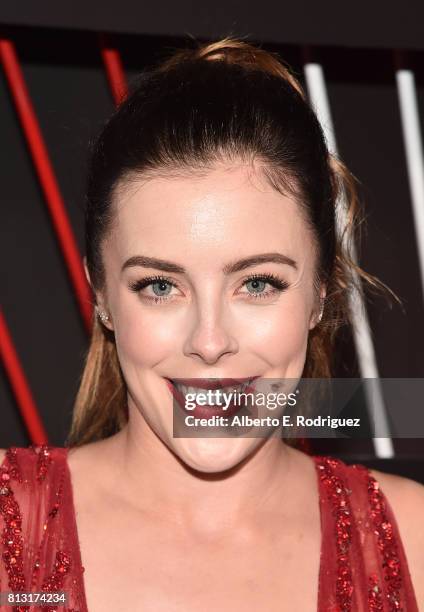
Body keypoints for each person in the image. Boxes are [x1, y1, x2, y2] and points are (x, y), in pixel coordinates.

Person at [0, 37, 423, 612]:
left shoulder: (414, 541)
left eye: (257, 284)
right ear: (101, 294)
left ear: (321, 292)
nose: (209, 342)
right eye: (159, 286)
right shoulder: (8, 528)